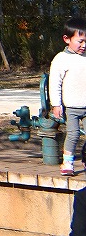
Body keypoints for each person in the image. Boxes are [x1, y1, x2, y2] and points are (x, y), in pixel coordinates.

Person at [49, 16, 86, 175]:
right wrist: (56, 104)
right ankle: (68, 163)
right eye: (80, 41)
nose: (84, 45)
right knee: (73, 134)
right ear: (67, 39)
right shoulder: (61, 59)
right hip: (72, 107)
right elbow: (54, 83)